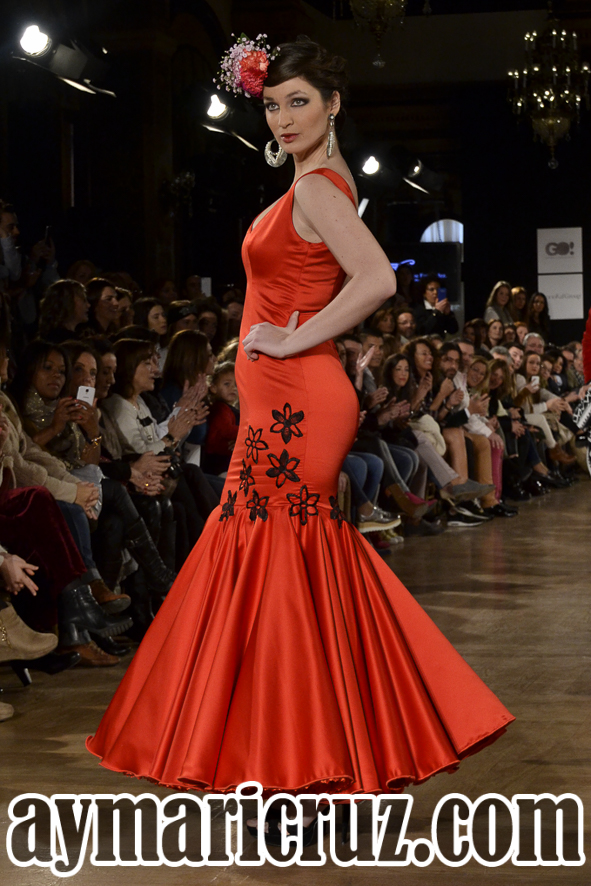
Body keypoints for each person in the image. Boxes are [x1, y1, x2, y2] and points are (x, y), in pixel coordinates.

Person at [87, 36, 513, 832]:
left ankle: (289, 769)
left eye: (299, 102)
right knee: (289, 560)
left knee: (277, 558)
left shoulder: (317, 187)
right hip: (283, 398)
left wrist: (291, 341)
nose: (283, 119)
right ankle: (303, 757)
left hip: (298, 400)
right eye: (273, 104)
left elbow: (377, 278)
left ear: (333, 104)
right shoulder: (315, 183)